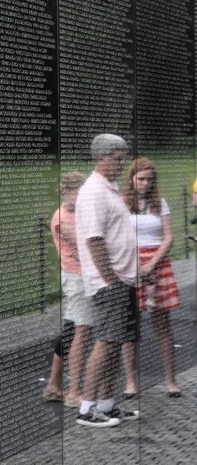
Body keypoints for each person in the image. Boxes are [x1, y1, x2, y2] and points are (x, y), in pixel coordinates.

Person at [75, 134, 139, 428]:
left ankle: (107, 404)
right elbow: (94, 239)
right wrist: (110, 279)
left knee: (114, 343)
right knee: (106, 342)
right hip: (110, 282)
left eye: (124, 156)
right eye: (118, 157)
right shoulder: (93, 191)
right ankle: (87, 410)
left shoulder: (108, 188)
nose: (123, 162)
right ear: (101, 157)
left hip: (123, 279)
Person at [122, 158, 181, 397]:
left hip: (157, 263)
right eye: (141, 178)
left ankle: (170, 380)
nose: (145, 183)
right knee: (131, 326)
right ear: (132, 179)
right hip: (131, 264)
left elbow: (169, 237)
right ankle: (131, 382)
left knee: (162, 324)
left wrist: (153, 263)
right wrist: (136, 265)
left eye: (149, 179)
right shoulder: (122, 203)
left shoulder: (160, 203)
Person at [43, 172, 93, 407]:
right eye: (78, 193)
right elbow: (85, 243)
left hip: (84, 277)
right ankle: (74, 391)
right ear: (65, 192)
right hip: (76, 278)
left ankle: (54, 385)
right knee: (80, 331)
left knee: (71, 330)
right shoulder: (62, 218)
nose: (82, 198)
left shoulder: (79, 213)